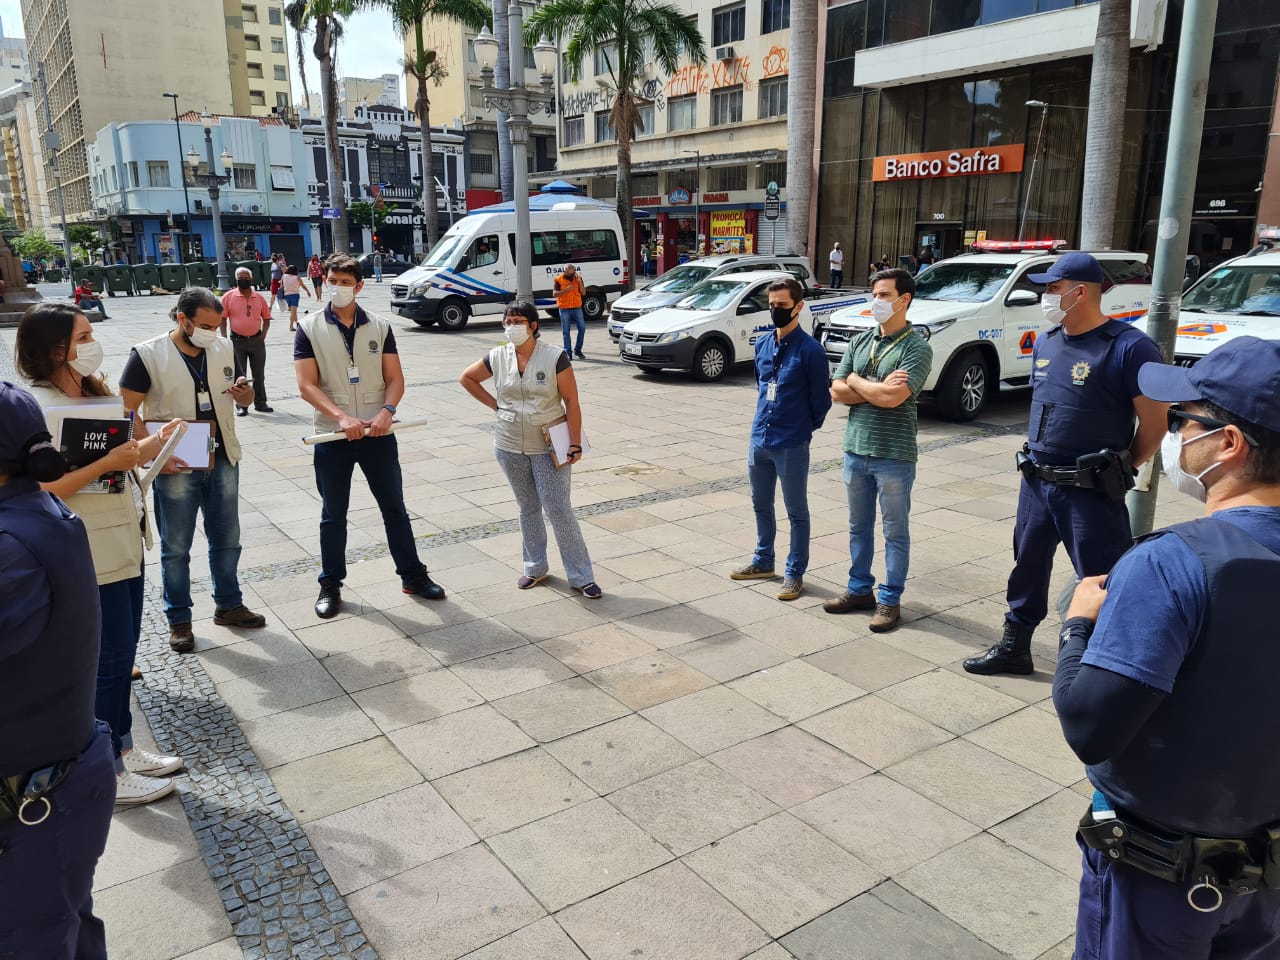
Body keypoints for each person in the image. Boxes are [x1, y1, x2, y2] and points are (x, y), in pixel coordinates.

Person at [1054, 336, 1280, 957]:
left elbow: (1090, 725)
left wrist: (1078, 626)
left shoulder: (1172, 562)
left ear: (1229, 444)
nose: (1175, 434)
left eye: (1185, 420)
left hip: (1162, 882)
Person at [964, 252, 1167, 676]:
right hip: (1037, 481)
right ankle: (1015, 647)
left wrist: (1124, 466)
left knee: (1099, 578)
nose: (1046, 296)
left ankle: (1099, 667)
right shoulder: (1048, 340)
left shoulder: (1129, 346)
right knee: (1027, 566)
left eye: (1053, 288)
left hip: (1089, 490)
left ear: (1080, 292)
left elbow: (1154, 422)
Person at [16, 304, 186, 805]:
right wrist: (112, 461)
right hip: (86, 548)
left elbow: (120, 460)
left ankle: (124, 746)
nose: (94, 343)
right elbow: (47, 488)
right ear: (56, 350)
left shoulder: (96, 394)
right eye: (84, 336)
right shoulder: (38, 408)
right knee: (108, 661)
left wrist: (157, 445)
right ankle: (105, 770)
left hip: (124, 539)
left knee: (124, 648)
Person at [0, 381, 116, 959]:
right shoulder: (28, 512)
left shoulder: (11, 548)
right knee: (65, 928)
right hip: (55, 780)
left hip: (36, 798)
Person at [294, 253, 445, 619]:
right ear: (324, 282)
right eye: (333, 281)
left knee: (394, 507)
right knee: (334, 514)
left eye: (346, 283)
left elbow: (395, 378)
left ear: (359, 286)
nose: (339, 288)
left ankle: (412, 575)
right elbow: (306, 385)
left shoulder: (378, 326)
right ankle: (330, 583)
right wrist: (341, 417)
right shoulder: (309, 327)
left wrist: (386, 413)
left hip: (379, 431)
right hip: (334, 436)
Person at [119, 287, 267, 652]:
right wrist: (153, 455)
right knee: (176, 547)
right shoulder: (148, 355)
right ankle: (179, 620)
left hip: (222, 455)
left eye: (217, 326)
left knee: (227, 540)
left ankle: (229, 605)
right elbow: (125, 411)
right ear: (182, 319)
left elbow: (243, 394)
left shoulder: (222, 347)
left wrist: (246, 394)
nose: (211, 333)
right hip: (175, 461)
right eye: (204, 326)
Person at [459, 301, 601, 598]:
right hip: (509, 443)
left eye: (519, 321)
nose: (512, 326)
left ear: (533, 325)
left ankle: (581, 575)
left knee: (558, 509)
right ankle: (534, 567)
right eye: (508, 321)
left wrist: (574, 442)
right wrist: (494, 405)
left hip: (548, 444)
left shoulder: (554, 357)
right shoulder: (498, 356)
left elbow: (572, 402)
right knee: (527, 508)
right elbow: (467, 378)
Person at [824, 268, 934, 632]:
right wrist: (864, 383)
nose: (876, 301)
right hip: (856, 448)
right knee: (858, 527)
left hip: (894, 453)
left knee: (894, 531)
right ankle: (859, 590)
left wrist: (856, 382)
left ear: (905, 300)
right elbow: (836, 391)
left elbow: (892, 398)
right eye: (874, 294)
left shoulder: (916, 347)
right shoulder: (860, 341)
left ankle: (889, 600)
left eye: (884, 295)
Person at [730, 277, 832, 602]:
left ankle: (794, 572)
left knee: (796, 511)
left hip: (792, 442)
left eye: (782, 306)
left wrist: (803, 429)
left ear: (799, 306)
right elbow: (762, 385)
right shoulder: (762, 344)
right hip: (759, 437)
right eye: (771, 305)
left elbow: (822, 402)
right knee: (761, 504)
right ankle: (763, 561)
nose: (775, 310)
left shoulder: (811, 351)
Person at [219, 267, 274, 417]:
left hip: (257, 340)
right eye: (240, 277)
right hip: (237, 341)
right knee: (239, 375)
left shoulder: (259, 297)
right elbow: (222, 319)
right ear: (235, 279)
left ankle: (260, 403)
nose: (243, 279)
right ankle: (241, 405)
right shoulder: (228, 296)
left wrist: (263, 335)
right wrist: (224, 338)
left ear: (251, 279)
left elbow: (267, 318)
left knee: (259, 374)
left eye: (246, 277)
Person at [554, 263, 587, 361]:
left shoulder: (578, 279)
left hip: (577, 307)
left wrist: (580, 281)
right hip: (564, 309)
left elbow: (583, 292)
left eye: (573, 269)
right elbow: (554, 294)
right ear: (565, 271)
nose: (573, 271)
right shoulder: (558, 279)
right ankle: (568, 352)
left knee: (582, 328)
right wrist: (566, 290)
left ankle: (577, 350)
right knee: (566, 332)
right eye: (570, 269)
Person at [280, 264, 311, 331]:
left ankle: (297, 323)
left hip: (286, 296)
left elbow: (281, 286)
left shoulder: (284, 276)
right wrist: (307, 291)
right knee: (293, 312)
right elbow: (302, 285)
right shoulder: (297, 277)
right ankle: (291, 326)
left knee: (293, 311)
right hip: (295, 295)